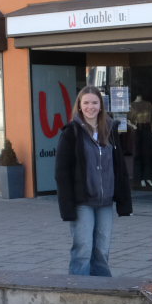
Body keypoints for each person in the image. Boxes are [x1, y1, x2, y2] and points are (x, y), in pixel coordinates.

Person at [55, 86, 132, 277]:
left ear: (101, 106)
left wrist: (124, 201)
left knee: (102, 250)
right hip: (83, 201)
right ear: (79, 106)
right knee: (83, 249)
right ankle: (79, 288)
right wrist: (67, 207)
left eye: (95, 103)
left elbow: (119, 167)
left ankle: (103, 287)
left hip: (105, 201)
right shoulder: (71, 132)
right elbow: (62, 172)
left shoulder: (110, 130)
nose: (91, 107)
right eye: (86, 103)